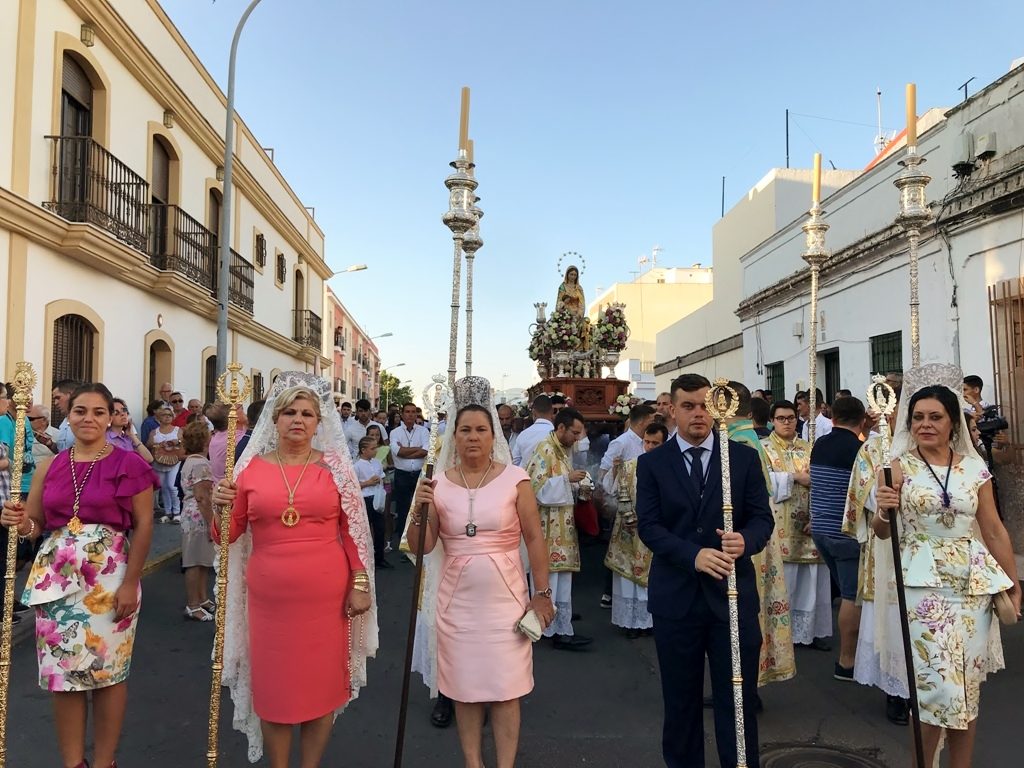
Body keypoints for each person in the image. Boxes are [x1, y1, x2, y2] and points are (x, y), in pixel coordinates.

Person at [211, 375, 377, 766]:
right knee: (274, 692)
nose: (297, 420)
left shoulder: (336, 468)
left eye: (307, 413)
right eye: (289, 412)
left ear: (320, 422)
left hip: (327, 597)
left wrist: (360, 582)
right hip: (270, 602)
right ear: (275, 419)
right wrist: (219, 503)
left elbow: (353, 531)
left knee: (322, 688)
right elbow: (227, 536)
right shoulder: (247, 470)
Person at [2, 382, 157, 768]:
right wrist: (19, 523)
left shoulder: (129, 464)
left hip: (109, 579)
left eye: (99, 412)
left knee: (108, 673)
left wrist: (130, 583)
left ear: (111, 418)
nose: (89, 418)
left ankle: (104, 762)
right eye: (80, 411)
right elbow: (36, 523)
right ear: (68, 417)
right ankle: (73, 763)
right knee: (63, 676)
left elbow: (144, 525)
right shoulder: (49, 464)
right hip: (55, 579)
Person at [874, 372, 1019, 768]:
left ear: (952, 422)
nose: (925, 424)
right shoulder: (897, 467)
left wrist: (1013, 584)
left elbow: (992, 528)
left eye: (934, 417)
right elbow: (881, 532)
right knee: (935, 687)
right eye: (918, 417)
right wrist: (884, 508)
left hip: (973, 586)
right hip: (923, 586)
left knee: (967, 688)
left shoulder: (975, 470)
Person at [409, 380, 555, 768]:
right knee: (464, 689)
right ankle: (473, 763)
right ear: (453, 436)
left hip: (506, 601)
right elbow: (422, 545)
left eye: (481, 430)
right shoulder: (436, 484)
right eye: (465, 430)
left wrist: (542, 593)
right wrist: (419, 508)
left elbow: (535, 539)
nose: (473, 437)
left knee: (507, 691)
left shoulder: (515, 479)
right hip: (457, 604)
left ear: (494, 436)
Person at [636, 373, 774, 768]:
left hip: (732, 600)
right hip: (677, 600)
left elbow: (762, 519)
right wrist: (691, 555)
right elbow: (650, 526)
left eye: (705, 406)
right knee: (681, 703)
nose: (699, 414)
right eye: (689, 406)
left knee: (738, 702)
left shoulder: (742, 457)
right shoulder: (652, 464)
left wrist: (746, 540)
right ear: (672, 410)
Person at [723, 381, 795, 694]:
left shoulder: (738, 440)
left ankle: (746, 686)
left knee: (744, 612)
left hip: (743, 537)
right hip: (756, 533)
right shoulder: (748, 436)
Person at [761, 400, 832, 651]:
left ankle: (811, 632)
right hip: (780, 523)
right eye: (781, 418)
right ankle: (780, 633)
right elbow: (763, 481)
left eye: (791, 417)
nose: (787, 422)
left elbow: (821, 479)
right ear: (772, 420)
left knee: (812, 582)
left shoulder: (809, 447)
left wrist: (819, 516)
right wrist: (793, 477)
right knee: (784, 581)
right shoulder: (763, 448)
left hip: (809, 521)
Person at [809, 395, 866, 681]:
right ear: (862, 420)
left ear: (832, 418)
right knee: (851, 596)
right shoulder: (861, 450)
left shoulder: (819, 444)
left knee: (848, 592)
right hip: (846, 534)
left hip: (820, 530)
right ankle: (847, 661)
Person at [525, 407, 591, 649]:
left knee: (561, 579)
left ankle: (561, 627)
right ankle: (548, 628)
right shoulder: (545, 450)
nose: (576, 438)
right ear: (560, 428)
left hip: (562, 526)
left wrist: (578, 487)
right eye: (574, 433)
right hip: (546, 529)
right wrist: (567, 480)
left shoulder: (561, 450)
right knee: (549, 578)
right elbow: (533, 488)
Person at [603, 422, 666, 637]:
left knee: (653, 577)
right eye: (646, 442)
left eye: (655, 443)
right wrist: (628, 514)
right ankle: (630, 623)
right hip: (629, 530)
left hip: (655, 530)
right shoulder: (630, 466)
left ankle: (649, 622)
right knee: (629, 578)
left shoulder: (670, 468)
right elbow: (616, 489)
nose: (649, 446)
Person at [179, 420, 216, 621]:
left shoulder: (191, 461)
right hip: (198, 516)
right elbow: (202, 496)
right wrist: (212, 522)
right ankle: (193, 604)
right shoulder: (201, 463)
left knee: (202, 559)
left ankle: (201, 598)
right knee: (194, 561)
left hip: (191, 514)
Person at [390, 402, 430, 548]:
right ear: (402, 414)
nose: (411, 415)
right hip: (402, 475)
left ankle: (419, 543)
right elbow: (398, 453)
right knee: (403, 509)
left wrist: (406, 450)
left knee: (420, 509)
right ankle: (403, 543)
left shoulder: (424, 431)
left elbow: (426, 451)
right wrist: (416, 450)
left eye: (413, 412)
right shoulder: (395, 432)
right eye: (407, 411)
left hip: (419, 474)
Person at [354, 436, 390, 569]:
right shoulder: (357, 466)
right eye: (372, 448)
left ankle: (379, 558)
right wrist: (367, 483)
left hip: (377, 498)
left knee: (380, 529)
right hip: (365, 499)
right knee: (365, 531)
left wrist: (385, 490)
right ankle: (364, 559)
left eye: (376, 447)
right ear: (363, 450)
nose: (375, 450)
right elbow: (353, 485)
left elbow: (382, 479)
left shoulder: (377, 463)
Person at [148, 407, 182, 523]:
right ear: (159, 417)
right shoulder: (154, 432)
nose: (167, 417)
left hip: (174, 462)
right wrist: (157, 444)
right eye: (164, 415)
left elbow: (184, 442)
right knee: (163, 487)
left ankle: (177, 512)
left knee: (172, 486)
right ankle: (168, 512)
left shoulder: (177, 430)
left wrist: (177, 442)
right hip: (159, 462)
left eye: (169, 415)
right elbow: (148, 444)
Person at [511, 394, 554, 467]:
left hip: (526, 476)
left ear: (533, 412)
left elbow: (514, 462)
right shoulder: (556, 434)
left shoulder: (523, 435)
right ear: (552, 411)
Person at [106, 399, 154, 463]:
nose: (122, 414)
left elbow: (149, 459)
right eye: (116, 413)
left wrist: (133, 436)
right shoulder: (105, 438)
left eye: (124, 410)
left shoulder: (128, 437)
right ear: (109, 418)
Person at [52, 379, 78, 451]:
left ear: (70, 395)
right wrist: (50, 444)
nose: (55, 403)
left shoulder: (84, 421)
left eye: (58, 398)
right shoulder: (64, 422)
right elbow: (62, 450)